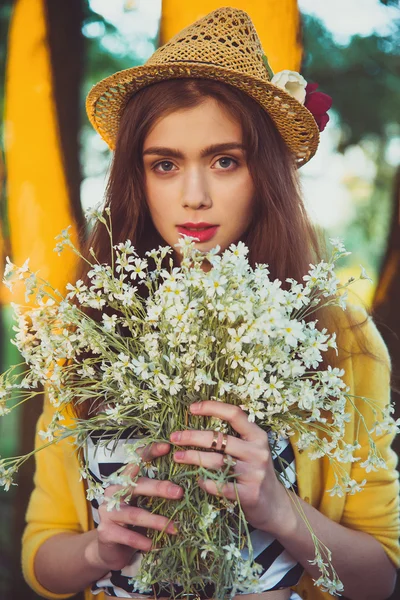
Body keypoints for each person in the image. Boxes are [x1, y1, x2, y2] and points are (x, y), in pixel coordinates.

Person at [21, 7, 399, 600]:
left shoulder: (338, 333)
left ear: (265, 172)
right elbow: (41, 559)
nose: (194, 196)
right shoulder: (87, 327)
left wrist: (280, 509)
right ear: (136, 180)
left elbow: (382, 580)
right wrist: (99, 548)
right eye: (165, 165)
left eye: (226, 161)